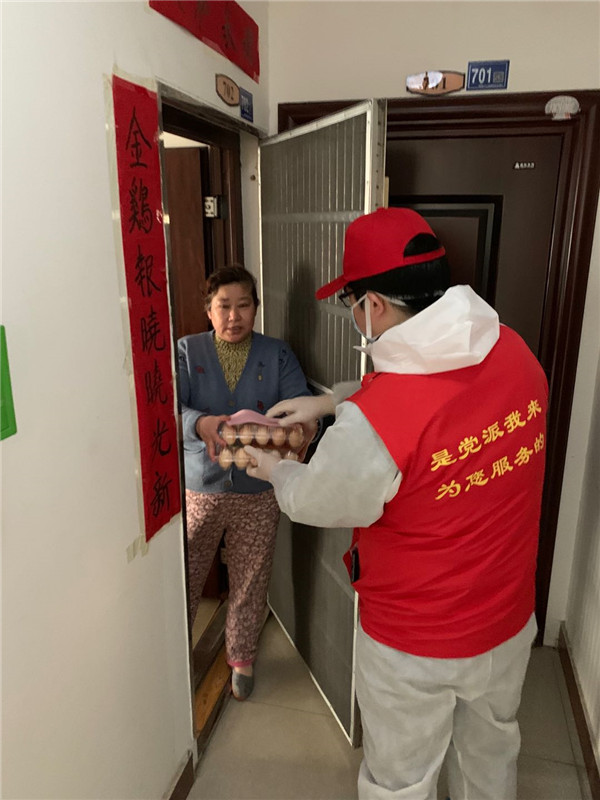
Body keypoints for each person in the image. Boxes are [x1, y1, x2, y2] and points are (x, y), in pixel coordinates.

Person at [244, 208, 548, 799]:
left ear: (374, 305)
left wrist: (275, 468)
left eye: (352, 303)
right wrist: (331, 402)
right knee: (490, 755)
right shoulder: (514, 352)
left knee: (402, 781)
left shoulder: (377, 423)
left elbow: (317, 499)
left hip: (416, 642)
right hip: (506, 620)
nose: (354, 314)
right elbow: (437, 386)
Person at [178, 265, 311, 701]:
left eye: (244, 305)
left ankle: (241, 656)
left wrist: (303, 429)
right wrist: (200, 424)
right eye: (224, 306)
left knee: (251, 576)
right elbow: (170, 409)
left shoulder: (277, 354)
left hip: (258, 487)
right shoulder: (188, 351)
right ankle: (174, 653)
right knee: (186, 572)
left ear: (256, 307)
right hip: (202, 485)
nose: (234, 316)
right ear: (209, 310)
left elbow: (300, 406)